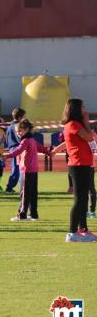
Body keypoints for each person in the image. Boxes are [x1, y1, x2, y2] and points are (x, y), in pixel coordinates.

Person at [59, 99, 97, 242]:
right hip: (78, 165)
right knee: (79, 199)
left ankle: (83, 230)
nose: (85, 110)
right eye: (83, 107)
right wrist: (86, 121)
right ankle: (72, 232)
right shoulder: (73, 124)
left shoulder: (76, 124)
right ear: (76, 110)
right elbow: (88, 137)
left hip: (84, 164)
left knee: (83, 198)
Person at [1, 119, 50, 222]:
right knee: (32, 192)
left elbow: (18, 150)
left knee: (24, 192)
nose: (18, 133)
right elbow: (41, 148)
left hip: (26, 170)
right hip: (34, 170)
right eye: (17, 132)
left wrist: (7, 156)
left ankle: (22, 215)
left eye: (20, 131)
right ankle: (34, 214)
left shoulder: (25, 141)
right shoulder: (32, 140)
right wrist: (50, 153)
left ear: (27, 129)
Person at [5, 108, 26, 193]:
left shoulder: (9, 126)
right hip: (17, 149)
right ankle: (9, 187)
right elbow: (20, 138)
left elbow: (7, 139)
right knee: (18, 169)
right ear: (21, 117)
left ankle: (11, 186)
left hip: (11, 148)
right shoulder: (18, 126)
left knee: (16, 168)